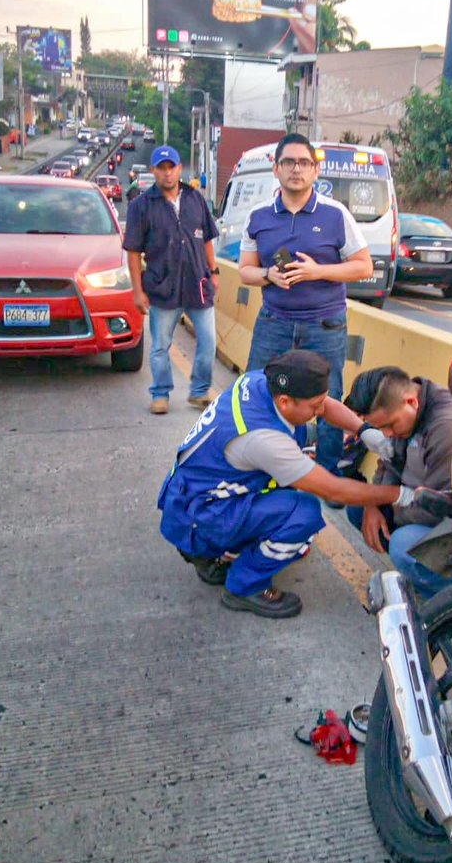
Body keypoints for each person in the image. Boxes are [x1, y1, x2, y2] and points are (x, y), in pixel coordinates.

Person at [158, 349, 419, 619]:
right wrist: (398, 494)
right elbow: (332, 489)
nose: (321, 409)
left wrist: (364, 431)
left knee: (299, 436)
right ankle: (244, 586)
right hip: (201, 517)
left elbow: (325, 405)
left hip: (190, 497)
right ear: (285, 402)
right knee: (304, 515)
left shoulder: (260, 382)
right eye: (314, 405)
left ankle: (210, 553)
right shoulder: (264, 439)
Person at [238, 133, 373, 472]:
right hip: (274, 322)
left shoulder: (335, 214)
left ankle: (327, 472)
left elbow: (364, 266)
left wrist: (317, 272)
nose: (295, 169)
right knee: (257, 389)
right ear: (276, 169)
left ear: (315, 170)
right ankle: (263, 465)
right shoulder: (258, 216)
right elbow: (245, 272)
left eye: (303, 163)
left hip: (325, 324)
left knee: (325, 397)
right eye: (288, 162)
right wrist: (269, 275)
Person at [343, 366, 452, 599]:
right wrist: (373, 504)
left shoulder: (448, 428)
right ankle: (423, 577)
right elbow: (389, 460)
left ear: (411, 402)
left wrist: (389, 509)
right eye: (380, 427)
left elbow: (438, 510)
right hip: (411, 504)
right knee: (359, 508)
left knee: (402, 545)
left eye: (390, 425)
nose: (387, 433)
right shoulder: (402, 414)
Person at [123, 144, 218, 415]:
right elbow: (133, 252)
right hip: (162, 287)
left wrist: (215, 272)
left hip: (198, 285)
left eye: (172, 167)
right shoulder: (141, 206)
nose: (167, 174)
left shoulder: (195, 199)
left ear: (179, 168)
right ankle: (161, 393)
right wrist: (137, 291)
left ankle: (199, 391)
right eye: (161, 168)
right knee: (161, 345)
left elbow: (207, 237)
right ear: (153, 171)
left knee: (208, 340)